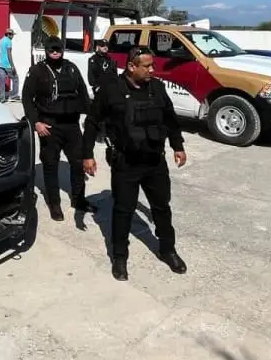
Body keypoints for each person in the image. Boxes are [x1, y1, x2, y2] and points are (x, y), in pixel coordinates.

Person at [82, 46, 187, 281]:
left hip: (154, 162)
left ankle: (167, 249)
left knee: (161, 208)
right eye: (147, 66)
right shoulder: (111, 90)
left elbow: (170, 120)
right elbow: (92, 122)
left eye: (153, 65)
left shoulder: (157, 88)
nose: (152, 69)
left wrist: (177, 146)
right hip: (126, 163)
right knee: (123, 210)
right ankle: (119, 256)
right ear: (131, 66)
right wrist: (87, 154)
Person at [23, 37, 94, 221]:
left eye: (58, 48)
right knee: (50, 165)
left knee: (78, 163)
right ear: (46, 50)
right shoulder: (37, 71)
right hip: (49, 125)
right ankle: (54, 203)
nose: (55, 51)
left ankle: (79, 199)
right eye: (51, 49)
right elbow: (26, 98)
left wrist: (92, 117)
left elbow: (83, 92)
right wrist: (36, 122)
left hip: (71, 125)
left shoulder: (71, 68)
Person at [0, 28, 20, 102]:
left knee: (2, 82)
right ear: (8, 34)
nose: (13, 36)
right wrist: (12, 66)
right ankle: (14, 95)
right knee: (15, 78)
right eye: (12, 35)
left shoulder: (0, 41)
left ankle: (2, 98)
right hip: (7, 65)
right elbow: (9, 54)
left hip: (1, 64)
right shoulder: (8, 41)